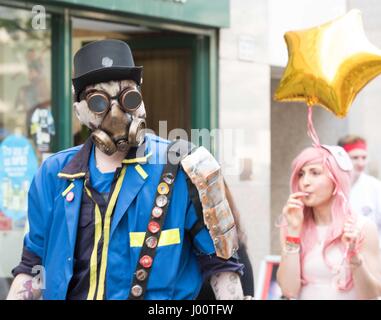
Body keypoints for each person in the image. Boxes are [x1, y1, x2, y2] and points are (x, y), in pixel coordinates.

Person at [7, 39, 245, 300]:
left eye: (128, 97)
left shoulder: (182, 167)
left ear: (142, 101)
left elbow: (222, 266)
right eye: (98, 103)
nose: (117, 113)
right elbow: (33, 267)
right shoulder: (53, 175)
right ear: (80, 112)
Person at [277, 145, 381, 299]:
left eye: (315, 173)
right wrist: (293, 232)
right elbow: (289, 290)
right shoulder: (291, 225)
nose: (305, 182)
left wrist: (353, 255)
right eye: (301, 174)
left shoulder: (362, 227)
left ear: (336, 179)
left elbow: (372, 293)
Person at [338, 135, 381, 247]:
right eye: (355, 158)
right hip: (339, 251)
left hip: (370, 251)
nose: (361, 163)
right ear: (342, 157)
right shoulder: (333, 185)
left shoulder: (375, 186)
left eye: (364, 157)